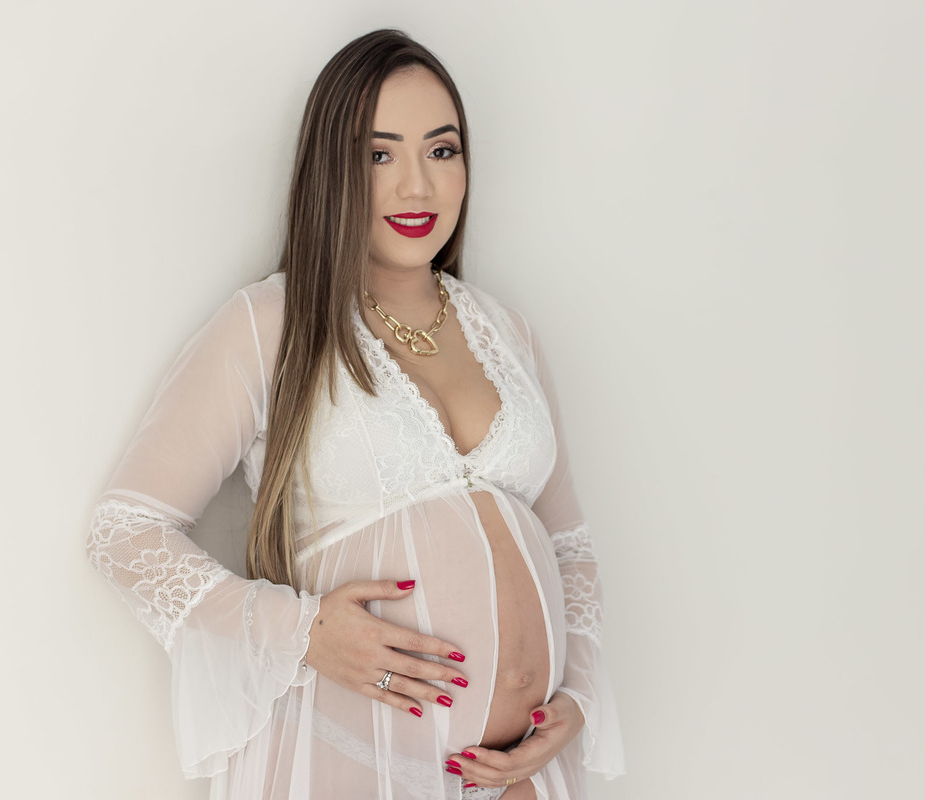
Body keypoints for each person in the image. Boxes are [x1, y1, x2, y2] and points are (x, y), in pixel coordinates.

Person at [86, 29, 623, 800]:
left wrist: (579, 696)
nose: (417, 186)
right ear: (331, 169)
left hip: (524, 773)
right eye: (379, 155)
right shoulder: (271, 323)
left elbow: (569, 544)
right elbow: (124, 533)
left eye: (442, 150)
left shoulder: (510, 333)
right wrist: (301, 632)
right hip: (346, 756)